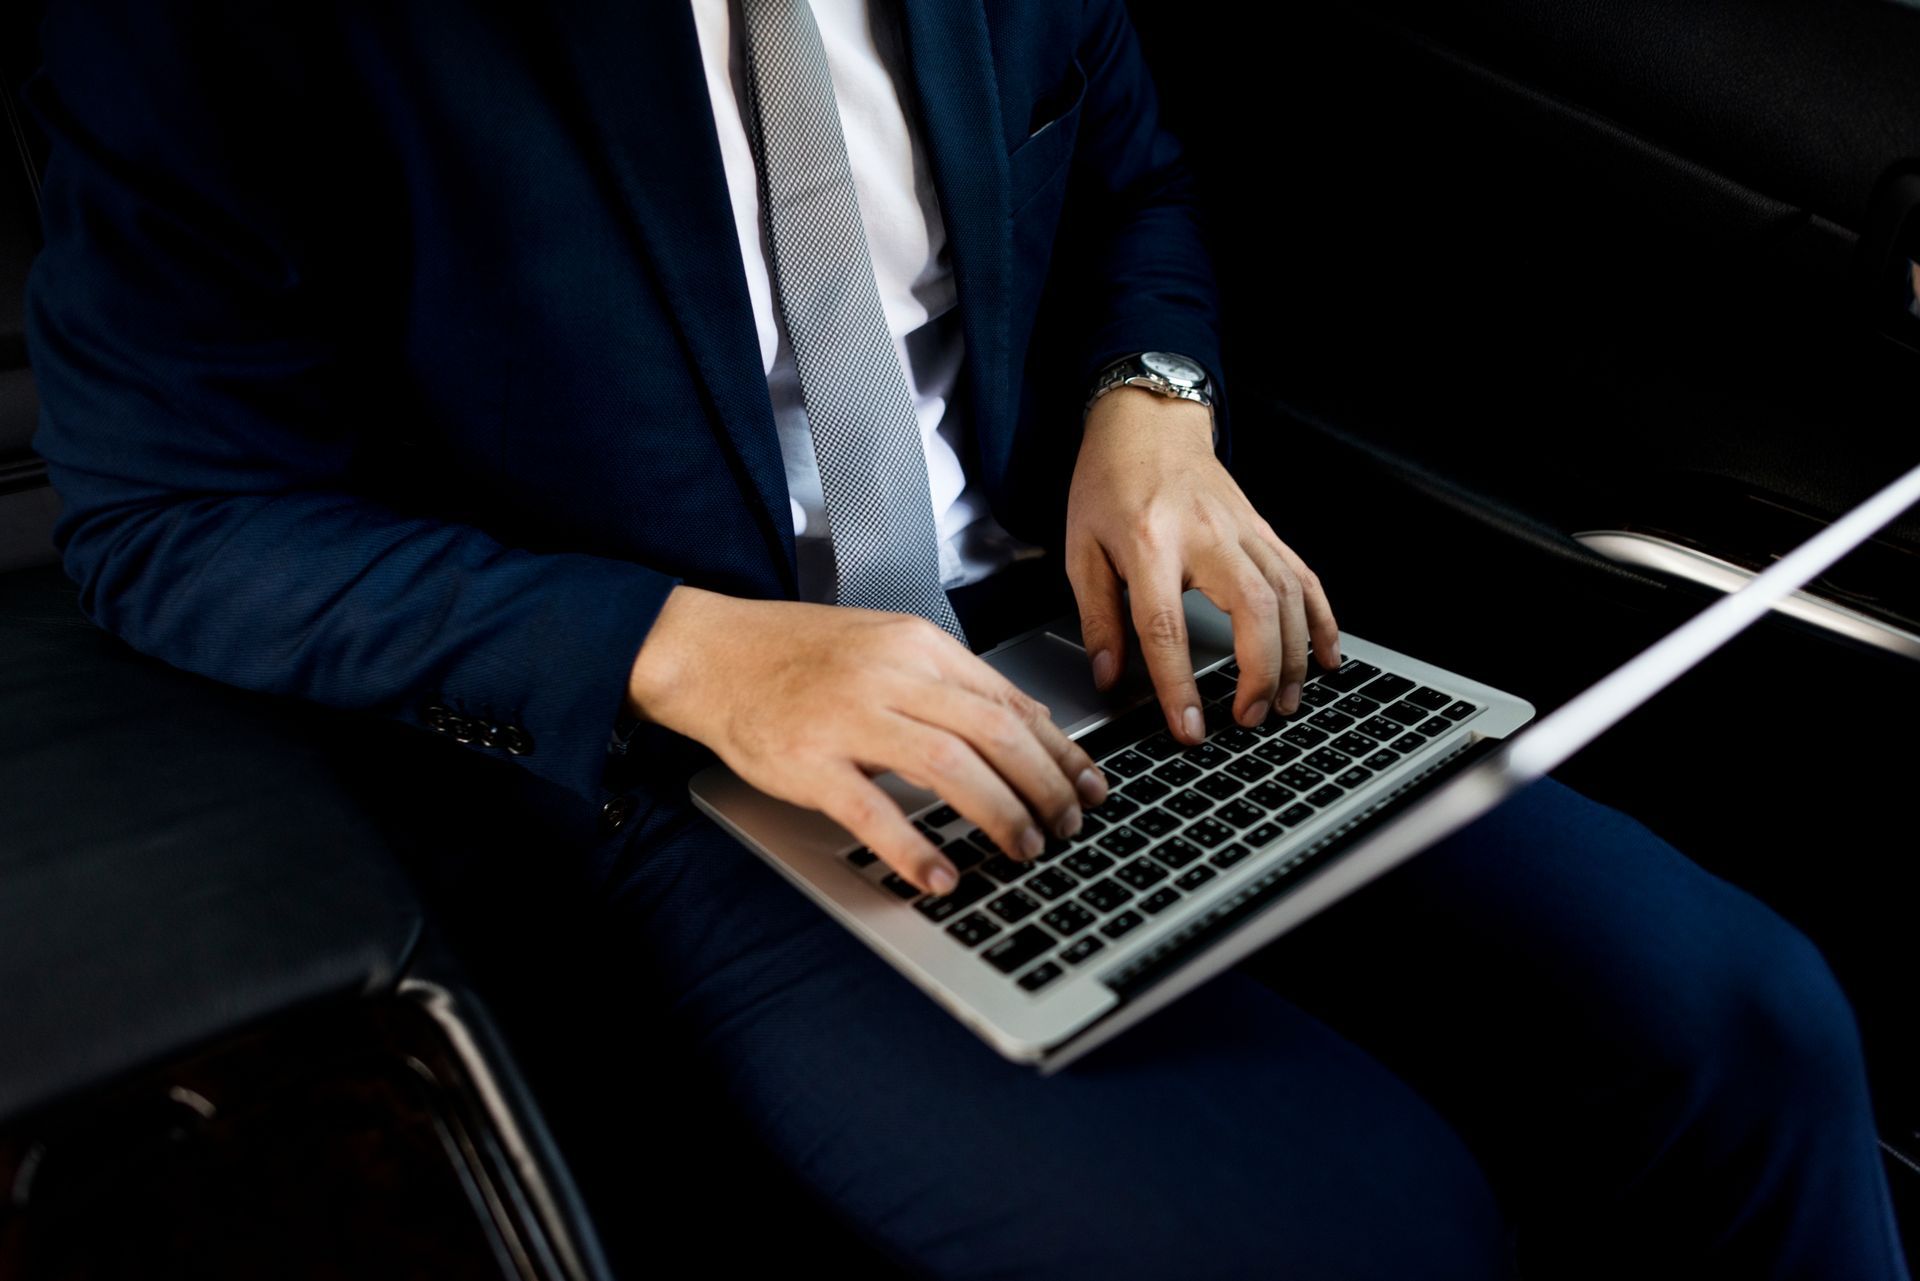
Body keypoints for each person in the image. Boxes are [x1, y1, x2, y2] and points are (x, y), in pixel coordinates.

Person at [21, 0, 1909, 1276]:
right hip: (672, 752)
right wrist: (688, 651)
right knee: (1346, 1229)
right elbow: (166, 517)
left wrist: (1154, 396)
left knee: (1749, 1025)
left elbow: (1130, 180)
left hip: (1074, 631)